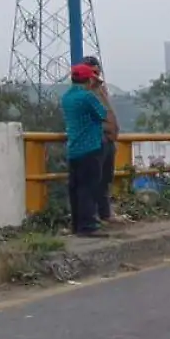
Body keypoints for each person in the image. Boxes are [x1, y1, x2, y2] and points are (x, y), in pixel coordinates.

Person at [62, 62, 108, 236]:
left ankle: (76, 225)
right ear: (89, 79)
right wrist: (98, 91)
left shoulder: (66, 97)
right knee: (89, 188)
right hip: (90, 148)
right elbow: (103, 114)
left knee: (75, 189)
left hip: (73, 149)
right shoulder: (87, 97)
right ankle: (88, 226)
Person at [82, 55, 119, 222]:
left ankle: (105, 214)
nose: (96, 76)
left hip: (108, 140)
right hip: (95, 140)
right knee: (92, 180)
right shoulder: (82, 93)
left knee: (105, 179)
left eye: (97, 72)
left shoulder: (101, 91)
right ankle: (90, 215)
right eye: (92, 72)